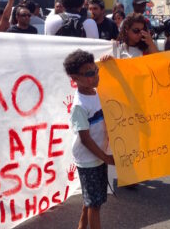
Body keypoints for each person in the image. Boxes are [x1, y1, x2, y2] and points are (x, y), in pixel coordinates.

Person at [63, 49, 114, 229]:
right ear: (75, 78)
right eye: (90, 73)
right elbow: (85, 139)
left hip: (99, 156)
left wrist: (105, 61)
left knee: (91, 198)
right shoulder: (79, 106)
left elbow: (100, 66)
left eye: (96, 70)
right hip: (89, 160)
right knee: (95, 204)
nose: (96, 75)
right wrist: (106, 157)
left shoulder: (96, 91)